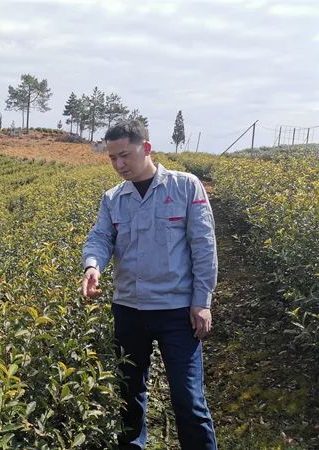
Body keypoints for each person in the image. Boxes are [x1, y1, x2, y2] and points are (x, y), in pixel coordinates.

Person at [81, 120, 217, 449]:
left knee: (188, 399)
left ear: (146, 148)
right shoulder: (113, 198)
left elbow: (204, 246)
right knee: (129, 395)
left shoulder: (185, 187)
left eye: (124, 155)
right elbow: (100, 238)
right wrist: (92, 266)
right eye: (112, 158)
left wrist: (202, 302)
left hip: (176, 311)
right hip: (129, 309)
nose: (119, 164)